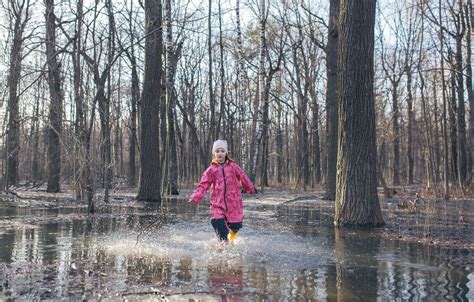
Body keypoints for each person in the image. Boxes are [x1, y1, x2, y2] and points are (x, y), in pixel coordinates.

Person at [188, 139, 256, 242]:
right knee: (217, 222)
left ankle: (230, 239)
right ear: (214, 153)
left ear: (226, 153)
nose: (220, 153)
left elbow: (243, 177)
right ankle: (223, 247)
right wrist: (195, 197)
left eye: (222, 151)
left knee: (236, 226)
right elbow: (203, 185)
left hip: (234, 203)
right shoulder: (211, 170)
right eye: (217, 151)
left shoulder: (233, 166)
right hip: (218, 204)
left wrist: (251, 188)